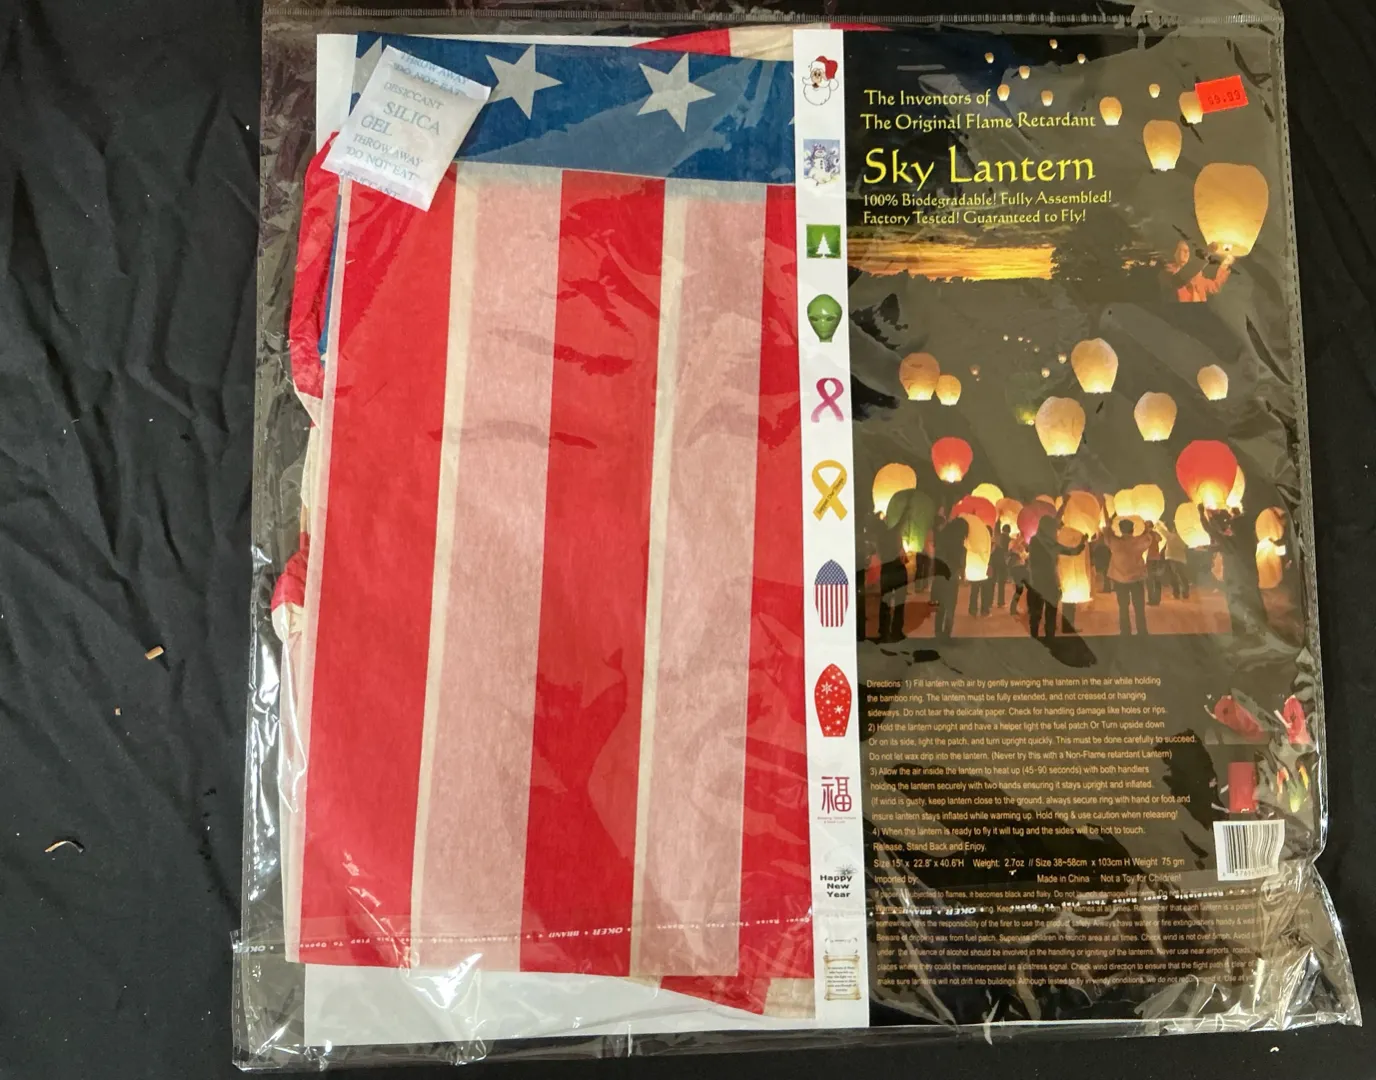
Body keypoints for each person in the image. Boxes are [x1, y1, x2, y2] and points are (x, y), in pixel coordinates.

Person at [1204, 505, 1266, 635]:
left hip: (1235, 582)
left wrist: (1204, 515)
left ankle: (1240, 633)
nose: (1230, 527)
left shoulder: (1232, 543)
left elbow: (1212, 531)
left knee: (1235, 607)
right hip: (1250, 578)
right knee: (1255, 603)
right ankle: (1262, 630)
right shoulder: (1250, 540)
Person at [1025, 516, 1085, 641]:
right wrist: (1082, 543)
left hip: (1036, 582)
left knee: (1036, 614)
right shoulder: (1051, 545)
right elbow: (1073, 552)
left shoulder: (1035, 541)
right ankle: (1049, 639)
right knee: (1050, 613)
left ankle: (1035, 639)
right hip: (1048, 582)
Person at [1104, 517, 1151, 635]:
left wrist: (1108, 526)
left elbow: (1107, 538)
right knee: (1139, 607)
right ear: (1133, 529)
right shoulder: (1138, 542)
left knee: (1123, 607)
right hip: (1137, 579)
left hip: (1120, 579)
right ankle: (1142, 631)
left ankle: (1125, 631)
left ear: (1120, 529)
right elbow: (1147, 539)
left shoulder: (1116, 543)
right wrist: (1146, 528)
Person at [931, 517, 968, 642]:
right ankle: (947, 633)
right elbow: (962, 565)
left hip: (940, 577)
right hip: (952, 578)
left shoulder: (941, 542)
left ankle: (938, 633)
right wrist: (963, 577)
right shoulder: (961, 548)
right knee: (950, 607)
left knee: (940, 606)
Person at [1162, 239, 1234, 303]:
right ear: (1175, 254)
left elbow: (1214, 287)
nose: (1187, 253)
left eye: (1188, 251)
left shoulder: (1197, 277)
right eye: (1183, 250)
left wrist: (1224, 266)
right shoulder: (1166, 272)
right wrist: (1207, 253)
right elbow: (1180, 279)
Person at [874, 508, 907, 644]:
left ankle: (884, 631)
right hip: (898, 569)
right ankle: (896, 631)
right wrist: (906, 510)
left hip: (886, 569)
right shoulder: (894, 533)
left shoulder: (880, 538)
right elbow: (902, 522)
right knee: (899, 602)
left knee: (885, 602)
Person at [1163, 525, 1190, 599]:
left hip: (1172, 558)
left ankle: (1176, 593)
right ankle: (1184, 592)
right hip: (1181, 559)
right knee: (1181, 576)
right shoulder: (1184, 538)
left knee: (1174, 577)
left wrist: (1158, 524)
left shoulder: (1171, 536)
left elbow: (1162, 531)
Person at [991, 524, 1012, 610]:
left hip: (994, 562)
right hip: (1003, 563)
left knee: (992, 582)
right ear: (1009, 531)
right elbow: (1009, 551)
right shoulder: (1009, 539)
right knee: (1001, 583)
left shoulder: (997, 537)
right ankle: (1000, 602)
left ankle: (989, 601)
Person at [1144, 522, 1165, 605]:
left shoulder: (1147, 535)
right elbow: (1160, 539)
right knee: (1156, 579)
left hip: (1151, 559)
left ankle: (1152, 599)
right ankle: (1156, 599)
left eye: (1146, 526)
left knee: (1150, 580)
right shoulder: (1154, 534)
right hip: (1156, 558)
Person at [1007, 535, 1029, 616]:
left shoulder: (1017, 546)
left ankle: (1013, 609)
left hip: (1018, 569)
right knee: (1020, 589)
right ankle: (1013, 609)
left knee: (1020, 589)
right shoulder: (1015, 545)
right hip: (1018, 569)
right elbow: (1023, 555)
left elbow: (1024, 556)